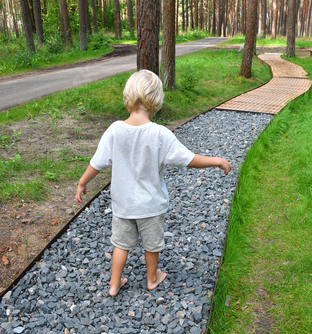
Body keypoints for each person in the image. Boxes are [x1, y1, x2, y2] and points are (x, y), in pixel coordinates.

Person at [75, 69, 231, 296]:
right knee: (152, 245)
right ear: (156, 100)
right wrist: (216, 160)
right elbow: (188, 159)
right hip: (150, 206)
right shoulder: (160, 134)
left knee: (121, 244)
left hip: (123, 205)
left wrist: (82, 182)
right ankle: (151, 278)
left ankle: (114, 284)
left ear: (128, 96)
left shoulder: (115, 130)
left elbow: (97, 163)